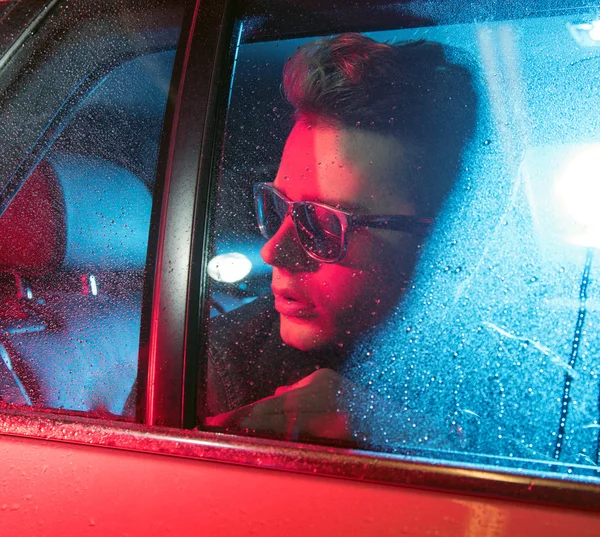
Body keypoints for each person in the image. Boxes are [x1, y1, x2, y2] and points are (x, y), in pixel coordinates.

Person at [205, 33, 477, 445]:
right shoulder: (215, 363)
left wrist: (406, 438)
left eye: (325, 224)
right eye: (278, 207)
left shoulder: (519, 375)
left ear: (435, 241)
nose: (272, 251)